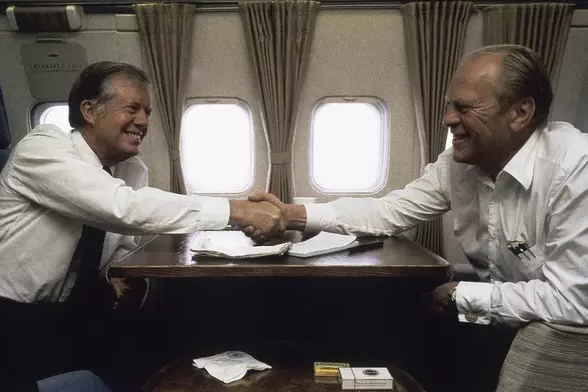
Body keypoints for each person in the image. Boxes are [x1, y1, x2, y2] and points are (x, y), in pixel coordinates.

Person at [248, 44, 588, 391]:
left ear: (520, 112)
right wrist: (291, 215)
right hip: (499, 325)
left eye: (464, 107)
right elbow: (388, 212)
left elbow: (574, 301)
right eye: (448, 105)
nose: (448, 119)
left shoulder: (575, 170)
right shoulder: (458, 165)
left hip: (551, 341)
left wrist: (460, 294)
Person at [0, 61, 284, 392]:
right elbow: (120, 208)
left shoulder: (131, 171)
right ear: (90, 111)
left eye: (148, 112)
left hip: (62, 317)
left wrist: (118, 283)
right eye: (132, 108)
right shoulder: (43, 147)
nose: (143, 121)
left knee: (168, 352)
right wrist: (238, 211)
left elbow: (121, 255)